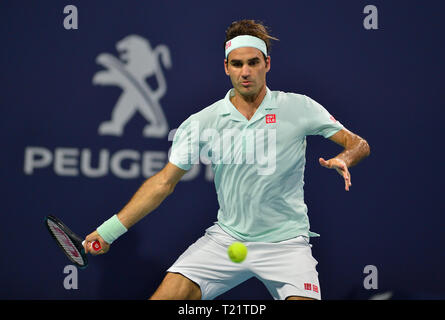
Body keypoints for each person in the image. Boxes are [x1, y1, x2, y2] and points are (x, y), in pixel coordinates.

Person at [83, 19, 370, 300]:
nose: (245, 72)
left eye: (253, 63)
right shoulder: (202, 122)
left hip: (287, 245)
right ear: (226, 68)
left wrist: (346, 157)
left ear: (267, 64)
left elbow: (357, 143)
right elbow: (163, 183)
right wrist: (107, 232)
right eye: (237, 64)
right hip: (227, 239)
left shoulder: (298, 107)